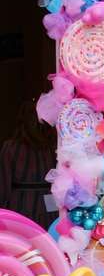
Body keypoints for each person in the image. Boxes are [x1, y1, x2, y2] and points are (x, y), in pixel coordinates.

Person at [0, 99, 56, 231]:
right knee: (48, 242)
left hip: (20, 204)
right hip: (49, 202)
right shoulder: (53, 146)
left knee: (23, 245)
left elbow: (3, 184)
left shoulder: (11, 147)